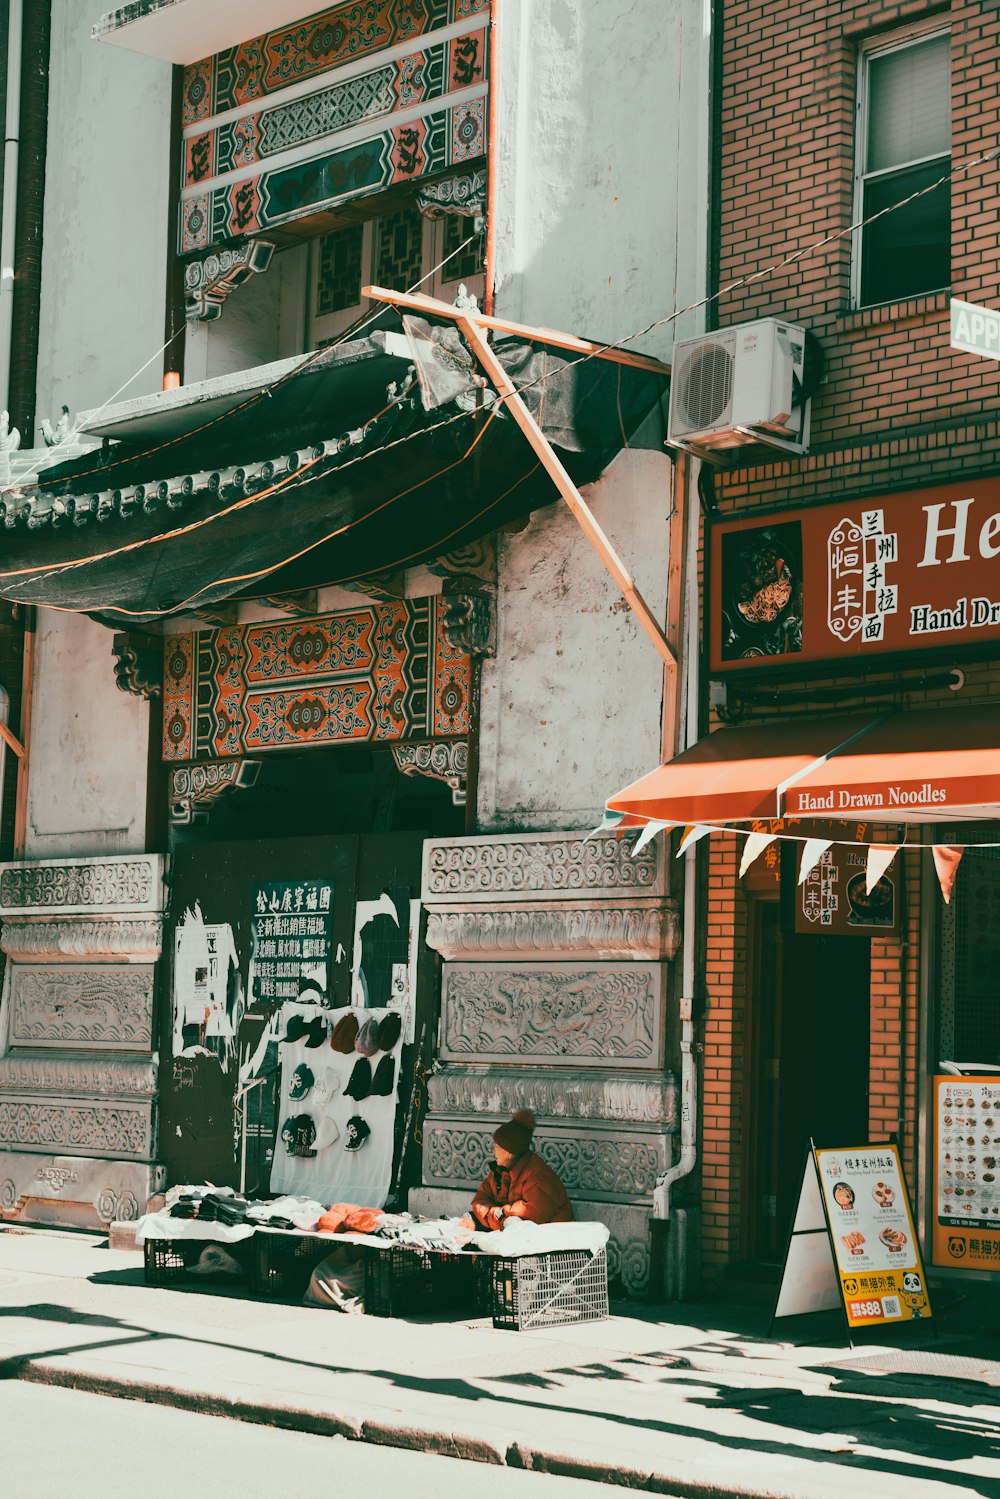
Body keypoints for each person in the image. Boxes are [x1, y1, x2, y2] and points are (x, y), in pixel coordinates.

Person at [470, 1109, 574, 1230]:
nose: (493, 1151)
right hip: (515, 1234)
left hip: (551, 1238)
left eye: (497, 1146)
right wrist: (492, 1215)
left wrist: (491, 1215)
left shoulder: (538, 1177)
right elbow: (480, 1199)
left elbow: (526, 1219)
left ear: (508, 1152)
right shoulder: (500, 1171)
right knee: (468, 1220)